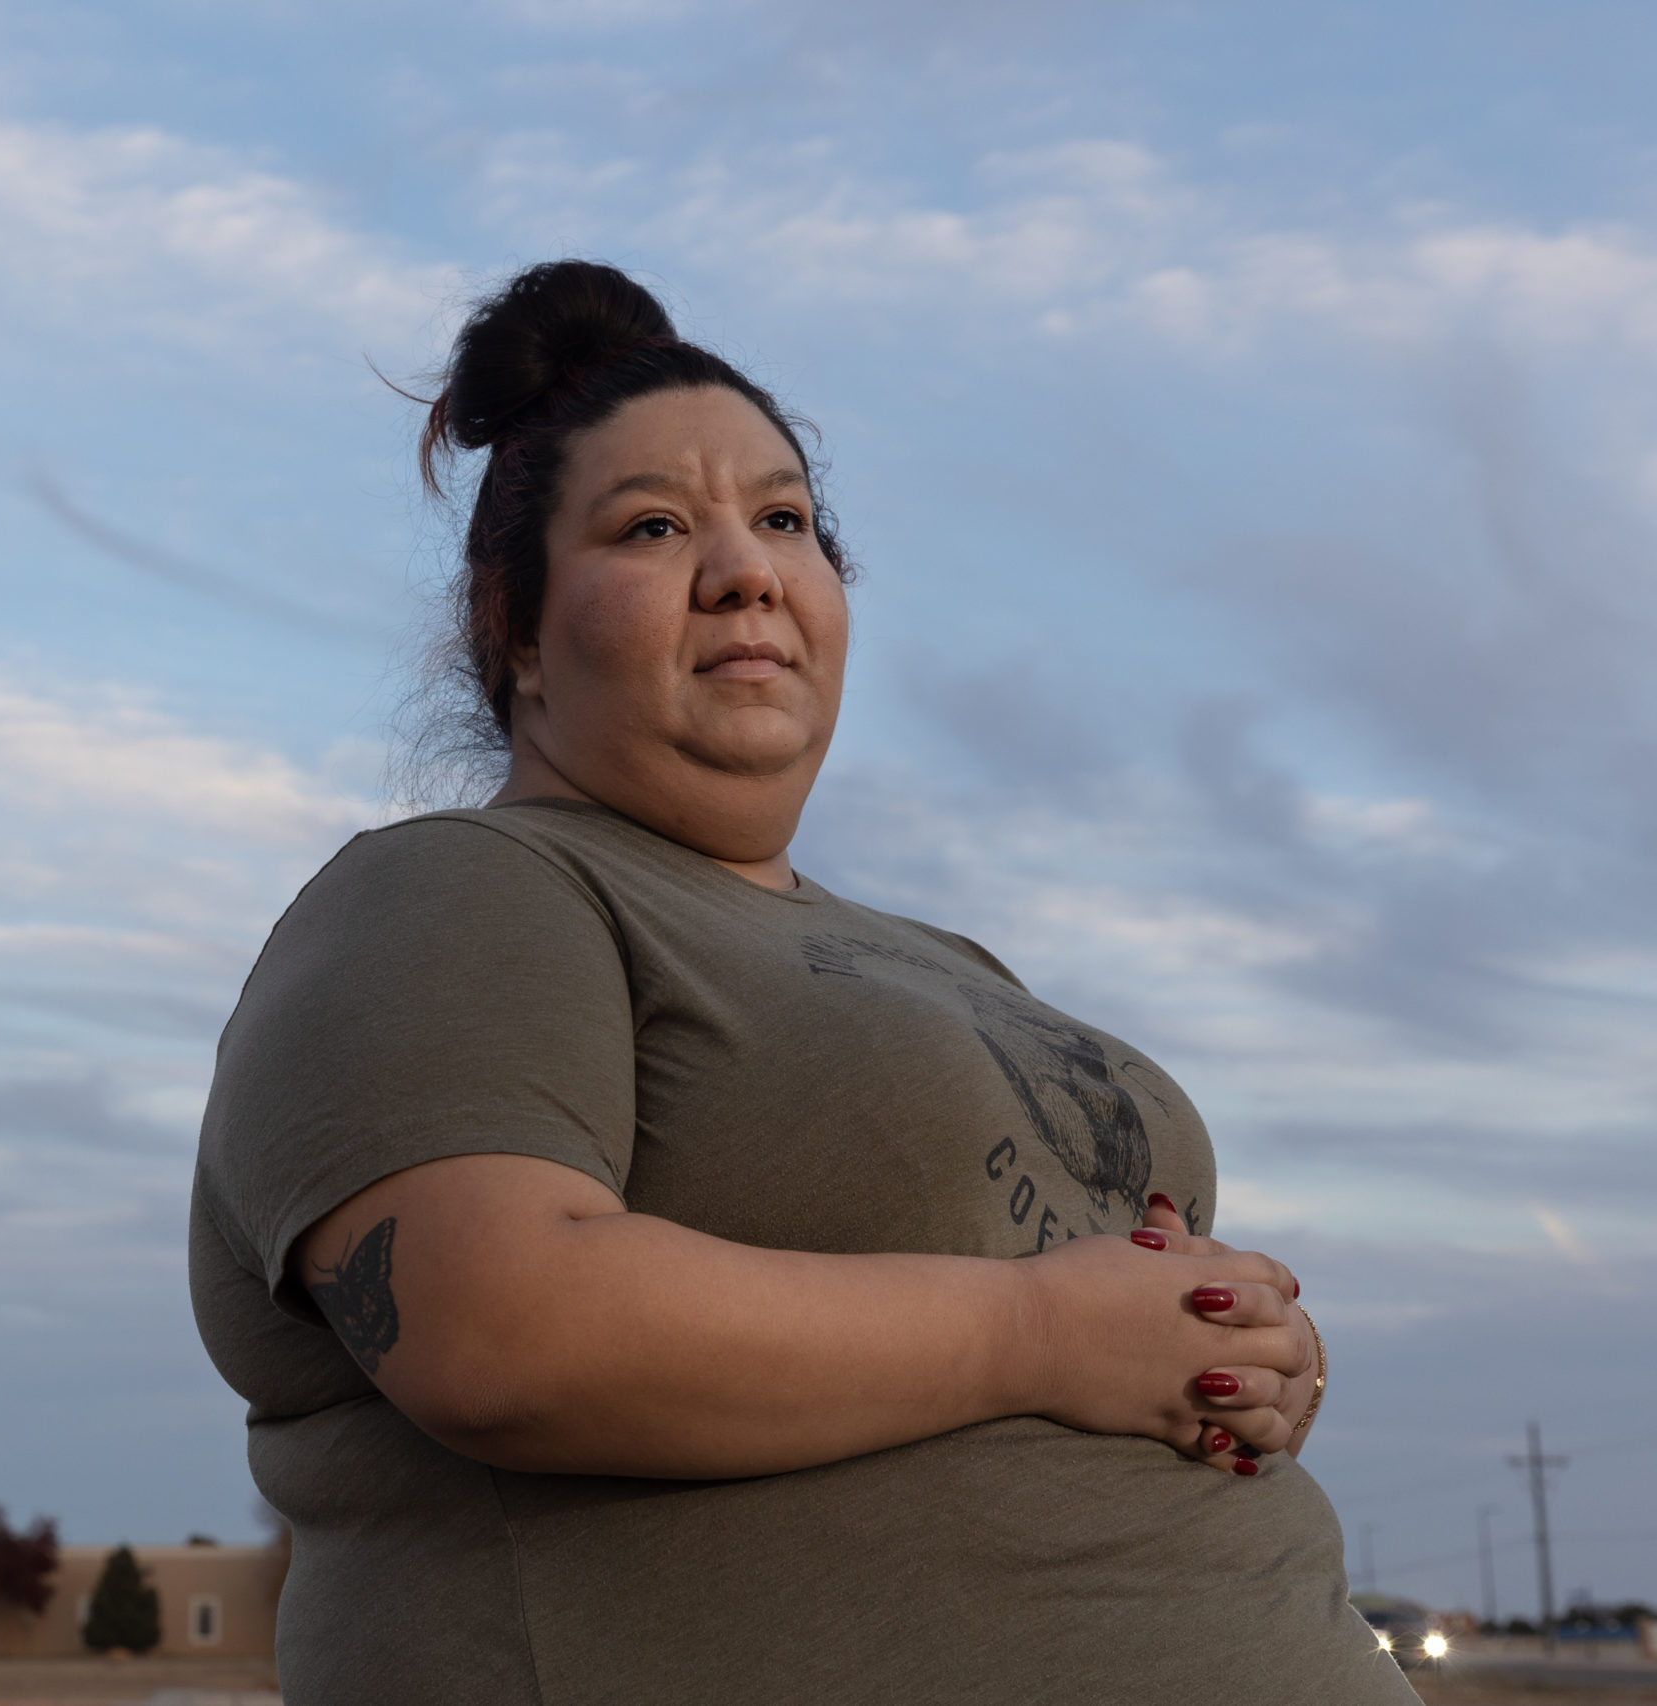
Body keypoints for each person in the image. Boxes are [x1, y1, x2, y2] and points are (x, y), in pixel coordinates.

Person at [188, 261, 1403, 1703]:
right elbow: (500, 1328)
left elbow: (1102, 1291)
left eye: (785, 519)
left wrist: (1250, 1352)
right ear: (512, 627)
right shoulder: (459, 890)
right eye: (653, 526)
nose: (749, 567)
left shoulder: (947, 966)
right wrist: (1041, 1334)